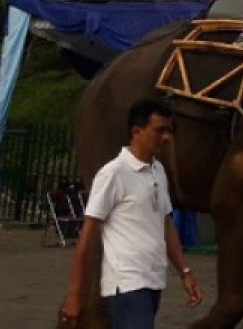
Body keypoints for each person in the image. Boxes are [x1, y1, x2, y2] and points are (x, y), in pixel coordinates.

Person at [60, 99, 202, 328]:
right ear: (137, 131)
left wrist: (185, 272)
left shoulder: (159, 171)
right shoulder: (113, 174)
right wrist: (74, 295)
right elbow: (86, 237)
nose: (166, 137)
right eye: (159, 130)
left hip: (153, 280)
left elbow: (165, 225)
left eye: (169, 131)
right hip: (126, 282)